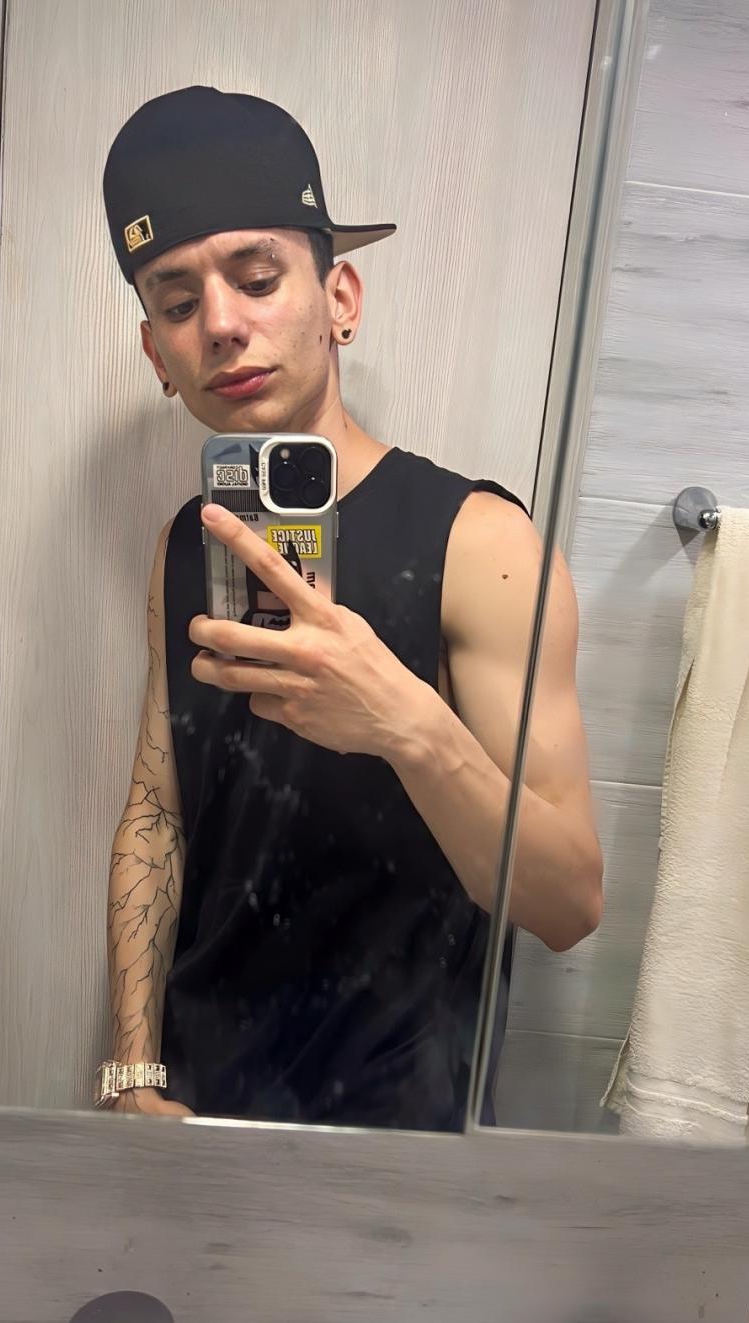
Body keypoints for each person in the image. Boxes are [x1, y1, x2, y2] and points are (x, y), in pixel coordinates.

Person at [99, 87, 602, 1128]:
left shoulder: (482, 545)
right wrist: (133, 1070)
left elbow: (567, 905)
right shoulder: (185, 543)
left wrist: (404, 722)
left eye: (256, 279)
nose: (222, 325)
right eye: (178, 303)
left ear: (340, 299)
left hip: (399, 1131)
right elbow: (156, 810)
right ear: (157, 356)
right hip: (193, 1112)